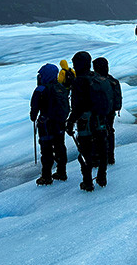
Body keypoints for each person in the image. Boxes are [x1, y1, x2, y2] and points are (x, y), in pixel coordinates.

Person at [67, 51, 109, 191]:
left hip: (85, 122)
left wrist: (70, 122)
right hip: (100, 119)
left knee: (85, 152)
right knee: (102, 149)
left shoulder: (79, 81)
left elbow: (77, 107)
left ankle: (87, 182)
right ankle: (102, 177)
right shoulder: (96, 77)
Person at [30, 64, 70, 185]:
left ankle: (46, 176)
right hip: (60, 123)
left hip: (46, 125)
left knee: (46, 149)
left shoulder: (40, 89)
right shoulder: (61, 88)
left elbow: (34, 108)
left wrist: (33, 117)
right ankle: (62, 172)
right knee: (60, 146)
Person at [93, 57, 122, 165]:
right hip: (111, 112)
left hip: (99, 113)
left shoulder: (97, 82)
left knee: (98, 134)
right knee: (109, 132)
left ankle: (99, 158)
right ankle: (110, 156)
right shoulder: (113, 80)